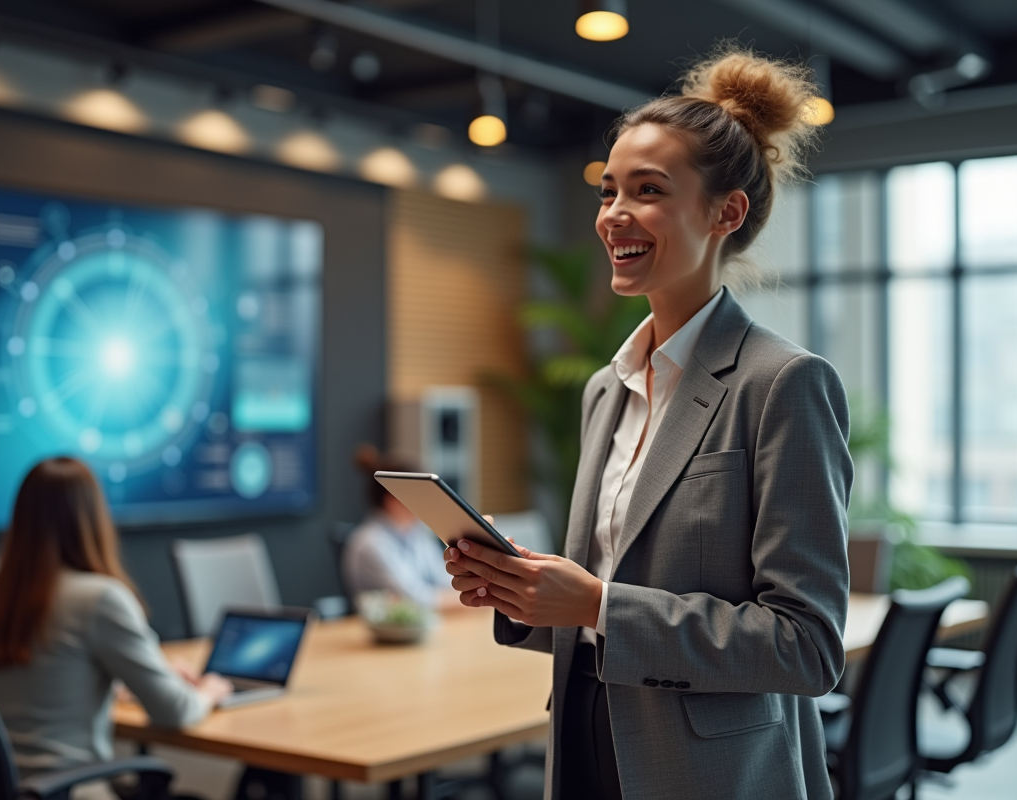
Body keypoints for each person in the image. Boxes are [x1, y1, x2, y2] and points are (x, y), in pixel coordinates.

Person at [446, 46, 853, 800]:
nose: (614, 216)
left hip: (711, 775)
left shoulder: (783, 384)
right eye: (608, 192)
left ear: (725, 212)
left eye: (648, 191)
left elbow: (807, 647)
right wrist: (522, 591)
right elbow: (601, 606)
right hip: (586, 746)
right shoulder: (607, 388)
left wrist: (598, 604)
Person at [0, 457, 232, 785]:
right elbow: (175, 712)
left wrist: (134, 680)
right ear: (91, 518)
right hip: (70, 790)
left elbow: (44, 678)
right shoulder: (100, 599)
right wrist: (209, 691)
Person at [343, 446, 457, 609]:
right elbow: (413, 600)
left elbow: (445, 579)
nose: (427, 501)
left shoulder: (415, 533)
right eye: (420, 494)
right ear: (393, 499)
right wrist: (465, 598)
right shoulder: (371, 544)